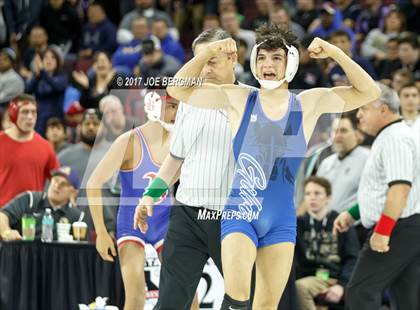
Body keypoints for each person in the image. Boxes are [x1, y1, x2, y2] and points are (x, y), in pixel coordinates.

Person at [158, 23, 380, 309]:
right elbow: (177, 89)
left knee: (265, 306)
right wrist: (210, 52)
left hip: (281, 220)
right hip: (240, 213)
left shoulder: (308, 103)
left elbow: (369, 91)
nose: (267, 64)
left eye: (276, 58)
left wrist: (335, 52)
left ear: (291, 63)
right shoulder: (239, 98)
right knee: (237, 300)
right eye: (261, 57)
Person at [135, 28, 237, 310]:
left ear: (233, 58)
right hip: (187, 216)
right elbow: (175, 159)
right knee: (170, 303)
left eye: (211, 60)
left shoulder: (250, 100)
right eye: (198, 60)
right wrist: (149, 195)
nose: (204, 69)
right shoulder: (190, 102)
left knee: (246, 300)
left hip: (231, 218)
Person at [87, 95, 185, 310]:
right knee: (136, 296)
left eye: (179, 107)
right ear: (154, 107)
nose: (177, 113)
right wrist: (102, 232)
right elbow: (93, 183)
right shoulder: (129, 141)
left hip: (164, 222)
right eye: (172, 107)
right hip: (131, 222)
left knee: (186, 294)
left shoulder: (180, 142)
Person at [333, 83, 420, 310]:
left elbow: (400, 189)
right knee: (406, 298)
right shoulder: (390, 136)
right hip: (405, 226)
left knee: (360, 291)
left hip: (398, 226)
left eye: (364, 109)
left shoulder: (395, 138)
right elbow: (380, 190)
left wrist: (382, 231)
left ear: (383, 110)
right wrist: (352, 214)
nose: (359, 115)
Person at [295, 176, 359, 310]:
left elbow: (352, 258)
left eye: (317, 193)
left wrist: (341, 285)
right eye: (308, 194)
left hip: (336, 277)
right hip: (309, 278)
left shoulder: (341, 221)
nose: (312, 197)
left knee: (300, 288)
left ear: (328, 197)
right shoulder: (297, 224)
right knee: (298, 287)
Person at [0, 94, 60, 207]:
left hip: (32, 214)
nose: (30, 117)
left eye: (33, 112)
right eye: (25, 112)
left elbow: (58, 180)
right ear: (13, 114)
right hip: (2, 213)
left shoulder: (45, 146)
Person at [0, 166, 80, 241]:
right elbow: (2, 215)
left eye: (64, 184)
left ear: (73, 192)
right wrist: (6, 232)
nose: (57, 185)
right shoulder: (30, 199)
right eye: (55, 180)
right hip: (22, 253)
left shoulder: (77, 217)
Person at [317, 113, 370, 213]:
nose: (338, 135)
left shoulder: (368, 159)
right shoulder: (326, 163)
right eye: (335, 131)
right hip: (325, 225)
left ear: (356, 134)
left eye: (343, 131)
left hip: (355, 225)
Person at [25, 47, 68, 135]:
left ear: (57, 61)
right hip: (39, 118)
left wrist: (43, 72)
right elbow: (27, 91)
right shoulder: (38, 76)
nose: (49, 60)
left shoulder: (62, 76)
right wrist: (36, 76)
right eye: (46, 57)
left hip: (55, 118)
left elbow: (57, 87)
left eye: (52, 58)